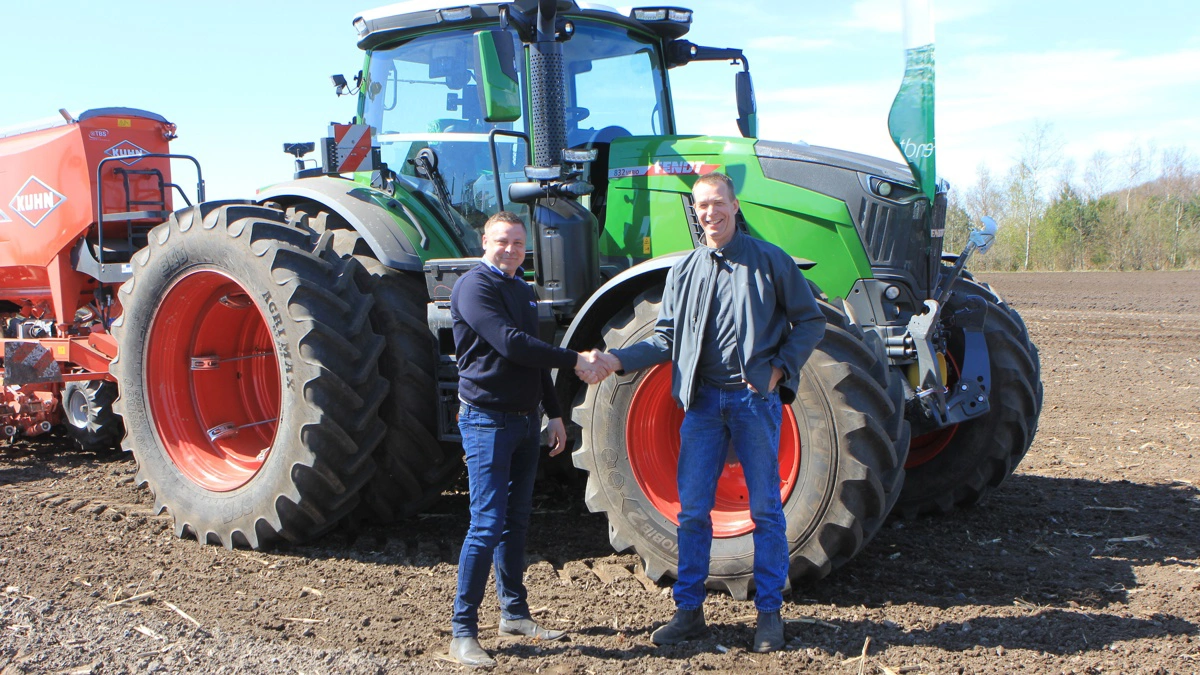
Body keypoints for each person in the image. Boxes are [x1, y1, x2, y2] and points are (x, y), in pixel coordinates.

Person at [587, 172, 825, 653]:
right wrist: (615, 359)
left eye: (718, 204)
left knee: (765, 510)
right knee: (693, 512)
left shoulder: (770, 263)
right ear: (695, 212)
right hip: (702, 405)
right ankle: (689, 611)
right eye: (701, 206)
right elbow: (665, 339)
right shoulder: (685, 271)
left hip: (754, 401)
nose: (710, 213)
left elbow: (811, 320)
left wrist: (779, 370)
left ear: (735, 206)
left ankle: (770, 615)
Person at [448, 211, 607, 667]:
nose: (511, 250)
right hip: (486, 423)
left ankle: (514, 613)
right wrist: (576, 358)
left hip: (522, 423)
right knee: (486, 524)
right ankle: (463, 632)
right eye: (503, 242)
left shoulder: (521, 288)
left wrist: (555, 414)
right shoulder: (475, 287)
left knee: (515, 522)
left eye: (518, 243)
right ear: (485, 242)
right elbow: (512, 344)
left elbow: (533, 364)